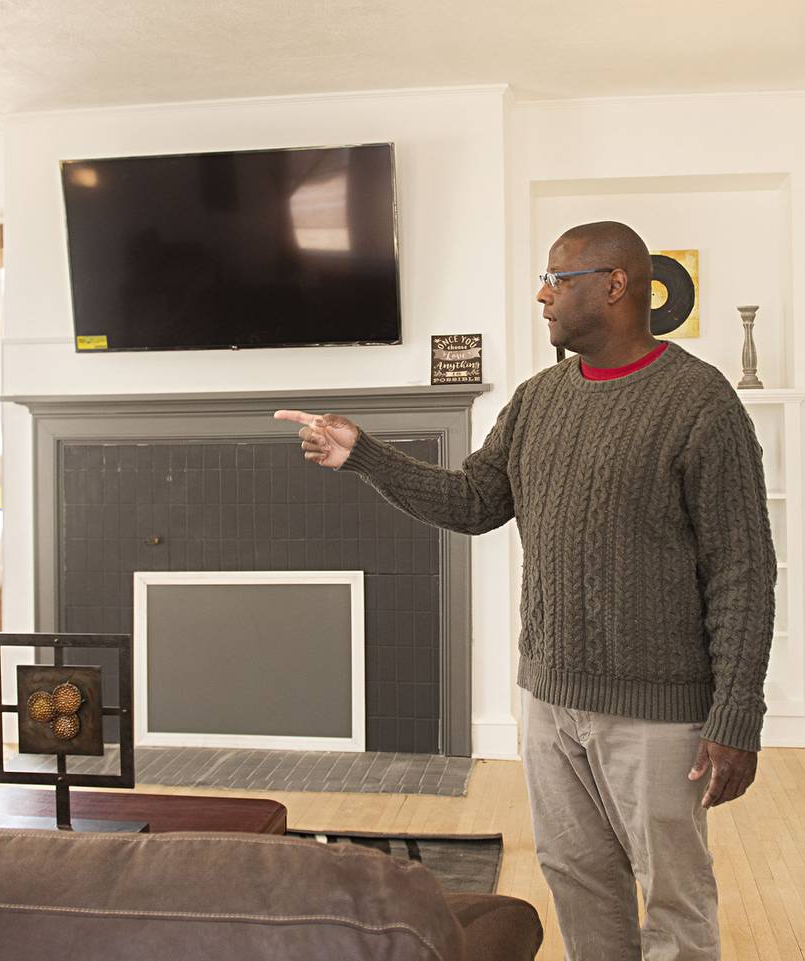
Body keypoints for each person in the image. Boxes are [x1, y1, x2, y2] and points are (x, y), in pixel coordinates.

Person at [274, 221, 775, 961]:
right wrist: (364, 456)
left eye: (557, 278)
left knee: (674, 895)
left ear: (615, 283)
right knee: (577, 876)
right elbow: (476, 501)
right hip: (548, 702)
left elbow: (742, 569)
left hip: (660, 712)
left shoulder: (701, 403)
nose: (542, 295)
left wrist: (735, 713)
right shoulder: (538, 399)